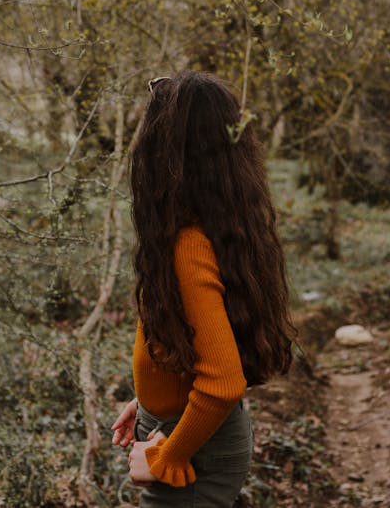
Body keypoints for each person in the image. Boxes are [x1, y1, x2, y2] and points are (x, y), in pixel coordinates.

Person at [112, 71, 295, 507]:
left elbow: (223, 382)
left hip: (194, 451)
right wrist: (150, 397)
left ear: (168, 155)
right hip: (179, 425)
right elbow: (188, 332)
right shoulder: (211, 228)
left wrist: (167, 456)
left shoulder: (188, 246)